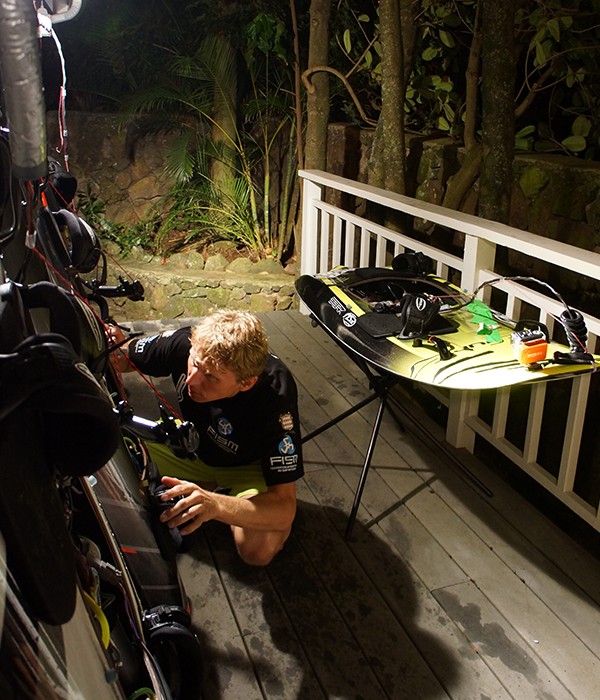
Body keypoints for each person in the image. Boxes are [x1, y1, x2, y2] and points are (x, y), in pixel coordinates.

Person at [107, 309, 303, 566]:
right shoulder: (184, 343)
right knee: (108, 446)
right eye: (195, 363)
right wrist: (111, 341)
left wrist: (216, 506)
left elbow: (285, 509)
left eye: (210, 376)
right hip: (188, 444)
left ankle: (209, 490)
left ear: (246, 383)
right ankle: (202, 483)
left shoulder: (275, 394)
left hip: (245, 468)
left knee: (258, 550)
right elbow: (121, 356)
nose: (192, 380)